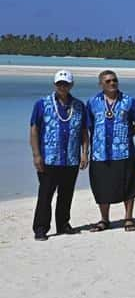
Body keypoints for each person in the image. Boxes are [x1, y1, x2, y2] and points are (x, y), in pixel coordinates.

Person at [29, 70, 89, 241]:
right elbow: (34, 130)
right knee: (45, 194)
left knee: (66, 193)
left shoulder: (79, 106)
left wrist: (85, 153)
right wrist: (36, 155)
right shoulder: (42, 104)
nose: (63, 86)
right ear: (55, 84)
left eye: (66, 83)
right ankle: (41, 228)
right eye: (59, 83)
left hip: (70, 158)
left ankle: (63, 224)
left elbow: (84, 132)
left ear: (71, 85)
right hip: (49, 158)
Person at [85, 70, 135, 232]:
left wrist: (128, 134)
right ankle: (104, 219)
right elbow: (88, 127)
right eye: (108, 81)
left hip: (124, 151)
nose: (112, 83)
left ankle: (128, 218)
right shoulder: (92, 102)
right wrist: (86, 151)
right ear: (101, 84)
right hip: (100, 152)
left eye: (114, 80)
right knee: (101, 186)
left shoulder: (130, 101)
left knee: (128, 185)